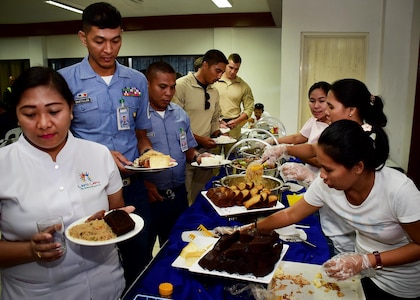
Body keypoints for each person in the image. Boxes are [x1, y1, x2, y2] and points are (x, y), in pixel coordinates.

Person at [0, 66, 133, 299]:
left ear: (71, 109)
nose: (43, 123)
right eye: (30, 114)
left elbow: (116, 211)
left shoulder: (99, 154)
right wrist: (30, 250)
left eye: (54, 111)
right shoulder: (4, 164)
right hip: (37, 292)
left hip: (106, 283)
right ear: (17, 116)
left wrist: (104, 224)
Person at [249, 119, 420, 299]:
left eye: (329, 169)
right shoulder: (327, 185)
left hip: (398, 285)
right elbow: (290, 214)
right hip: (359, 274)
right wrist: (249, 229)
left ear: (358, 167)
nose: (321, 175)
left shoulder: (399, 191)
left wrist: (367, 260)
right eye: (321, 166)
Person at [58, 2, 153, 287]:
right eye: (99, 41)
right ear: (83, 37)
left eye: (115, 40)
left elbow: (142, 135)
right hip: (89, 190)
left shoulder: (136, 80)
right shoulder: (65, 81)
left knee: (140, 258)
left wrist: (149, 155)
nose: (108, 50)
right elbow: (58, 140)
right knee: (95, 261)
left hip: (132, 188)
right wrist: (98, 155)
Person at [262, 78, 388, 254]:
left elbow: (355, 199)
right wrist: (284, 148)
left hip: (346, 239)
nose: (325, 112)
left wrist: (311, 178)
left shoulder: (362, 145)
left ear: (351, 110)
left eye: (330, 106)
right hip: (330, 226)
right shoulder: (340, 134)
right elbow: (313, 148)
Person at [144, 61, 208, 247]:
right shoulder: (138, 118)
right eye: (162, 87)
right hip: (151, 196)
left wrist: (198, 157)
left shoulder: (180, 114)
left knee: (177, 246)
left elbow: (187, 148)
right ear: (148, 85)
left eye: (172, 87)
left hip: (179, 195)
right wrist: (145, 184)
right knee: (145, 253)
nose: (169, 93)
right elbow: (133, 159)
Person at [172, 49, 228, 204]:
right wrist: (199, 139)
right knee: (184, 196)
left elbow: (215, 117)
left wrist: (217, 134)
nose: (219, 76)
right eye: (217, 71)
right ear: (204, 65)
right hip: (183, 151)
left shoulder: (214, 91)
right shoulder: (181, 86)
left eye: (222, 72)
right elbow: (175, 123)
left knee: (202, 193)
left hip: (206, 151)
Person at [266, 81, 331, 182]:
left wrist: (291, 151)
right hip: (307, 175)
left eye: (321, 101)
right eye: (312, 101)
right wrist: (271, 140)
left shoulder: (334, 129)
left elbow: (320, 161)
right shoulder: (314, 120)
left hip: (323, 180)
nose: (316, 106)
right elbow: (297, 138)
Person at [214, 53, 255, 143]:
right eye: (231, 68)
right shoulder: (214, 81)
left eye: (236, 69)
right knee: (213, 155)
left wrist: (237, 121)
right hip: (215, 125)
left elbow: (249, 109)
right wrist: (218, 121)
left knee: (232, 154)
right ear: (226, 65)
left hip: (234, 127)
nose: (233, 72)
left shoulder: (244, 86)